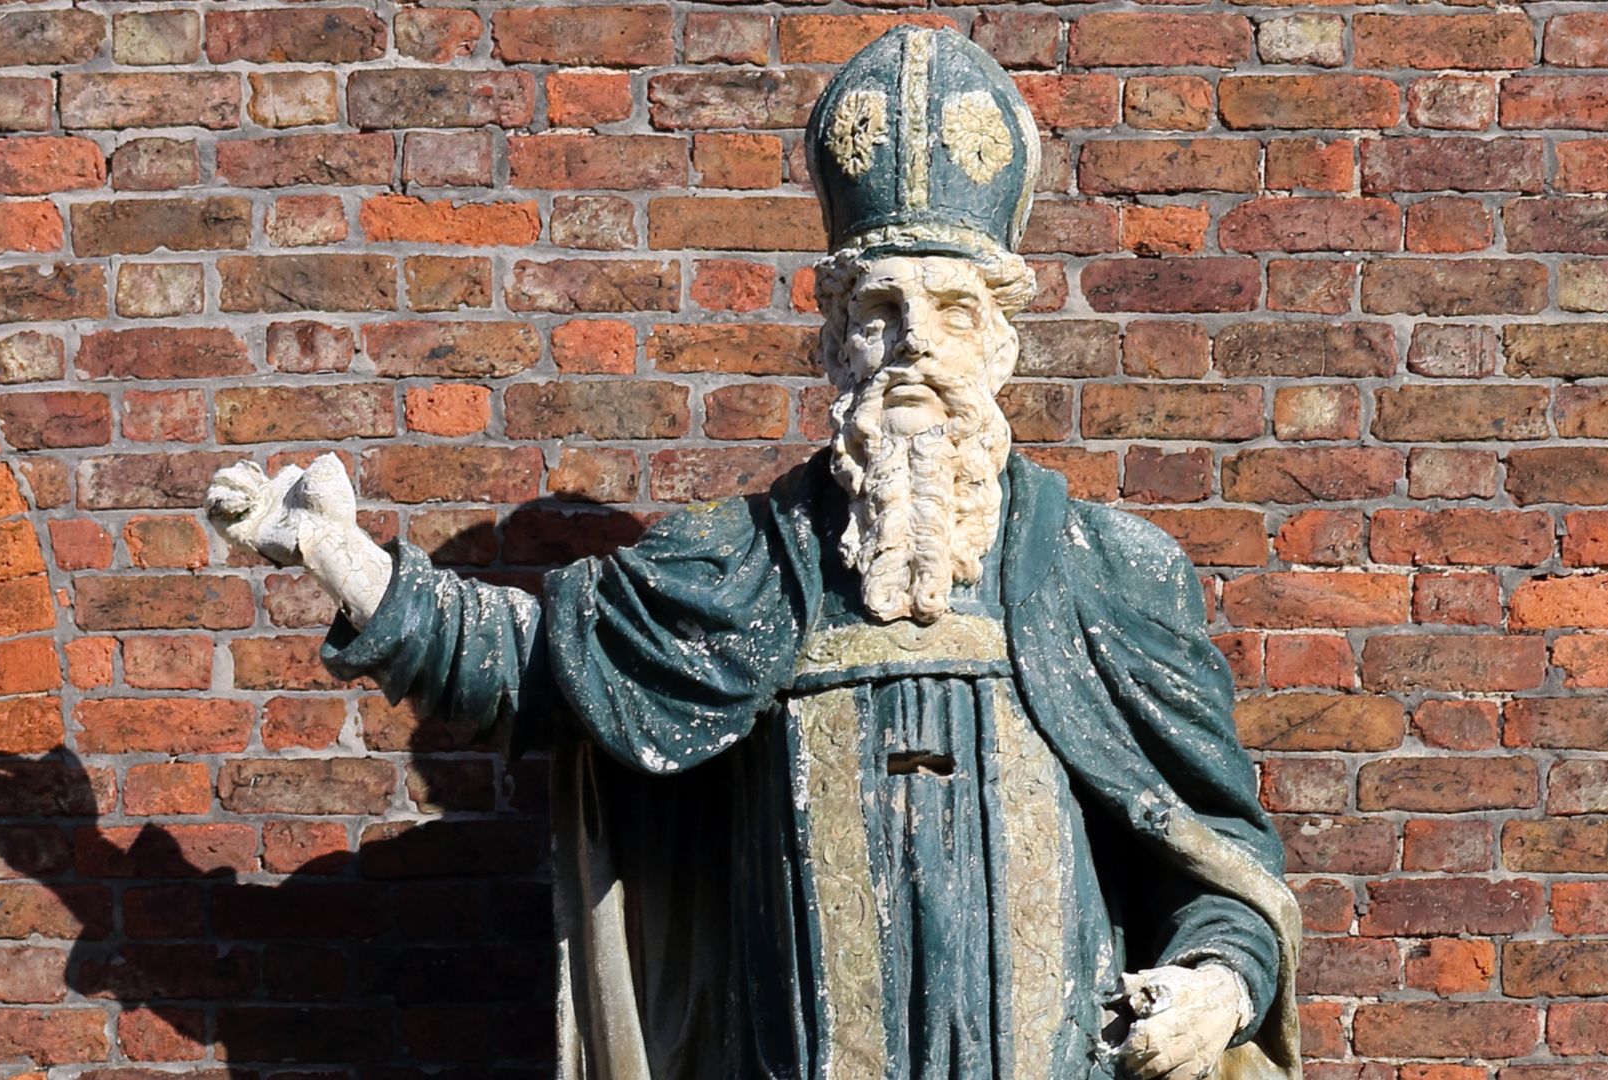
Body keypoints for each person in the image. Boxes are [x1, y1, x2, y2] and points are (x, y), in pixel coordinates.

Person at [207, 27, 1300, 1080]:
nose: (915, 340)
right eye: (880, 307)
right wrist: (345, 560)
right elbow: (539, 663)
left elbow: (1219, 858)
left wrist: (1218, 984)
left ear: (1002, 344)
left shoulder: (1110, 572)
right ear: (832, 339)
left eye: (953, 311)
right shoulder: (747, 566)